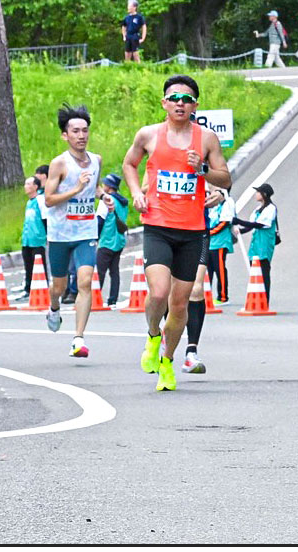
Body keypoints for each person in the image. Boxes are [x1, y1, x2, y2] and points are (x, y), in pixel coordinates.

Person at [124, 74, 234, 391]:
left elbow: (225, 178)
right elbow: (130, 164)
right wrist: (137, 193)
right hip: (158, 225)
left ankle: (167, 362)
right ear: (164, 103)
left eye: (187, 99)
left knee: (180, 304)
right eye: (174, 98)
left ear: (195, 106)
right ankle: (152, 336)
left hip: (192, 230)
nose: (180, 104)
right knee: (158, 292)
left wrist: (203, 169)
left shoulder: (207, 139)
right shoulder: (149, 135)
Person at [41, 104, 104, 358]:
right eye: (75, 131)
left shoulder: (96, 160)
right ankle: (54, 307)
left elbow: (95, 187)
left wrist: (103, 197)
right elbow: (48, 199)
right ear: (65, 135)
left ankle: (78, 338)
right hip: (60, 234)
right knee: (59, 286)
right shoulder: (59, 164)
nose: (81, 135)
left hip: (86, 231)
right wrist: (75, 189)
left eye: (85, 130)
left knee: (85, 282)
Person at [184, 188, 230, 374]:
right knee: (165, 292)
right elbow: (145, 186)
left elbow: (221, 181)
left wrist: (220, 193)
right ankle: (157, 337)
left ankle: (191, 352)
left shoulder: (200, 167)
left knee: (196, 289)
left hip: (199, 230)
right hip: (167, 229)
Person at [234, 184, 279, 305]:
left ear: (264, 194)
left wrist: (239, 221)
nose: (256, 194)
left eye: (258, 192)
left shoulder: (271, 209)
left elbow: (260, 224)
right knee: (254, 271)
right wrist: (240, 230)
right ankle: (255, 300)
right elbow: (251, 225)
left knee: (263, 272)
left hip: (265, 243)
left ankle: (265, 301)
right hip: (256, 243)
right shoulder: (257, 210)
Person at [96, 174, 131, 307]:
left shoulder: (106, 200)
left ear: (109, 187)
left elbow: (100, 220)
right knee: (114, 271)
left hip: (107, 240)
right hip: (119, 240)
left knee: (100, 271)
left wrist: (95, 238)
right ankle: (113, 298)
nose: (103, 186)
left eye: (105, 184)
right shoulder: (123, 202)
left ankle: (95, 296)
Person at [19, 166, 50, 300]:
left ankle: (44, 287)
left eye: (28, 184)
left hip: (38, 239)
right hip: (27, 239)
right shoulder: (29, 202)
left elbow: (45, 218)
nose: (25, 187)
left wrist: (47, 235)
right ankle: (28, 288)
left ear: (35, 187)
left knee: (40, 264)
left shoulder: (40, 200)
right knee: (28, 265)